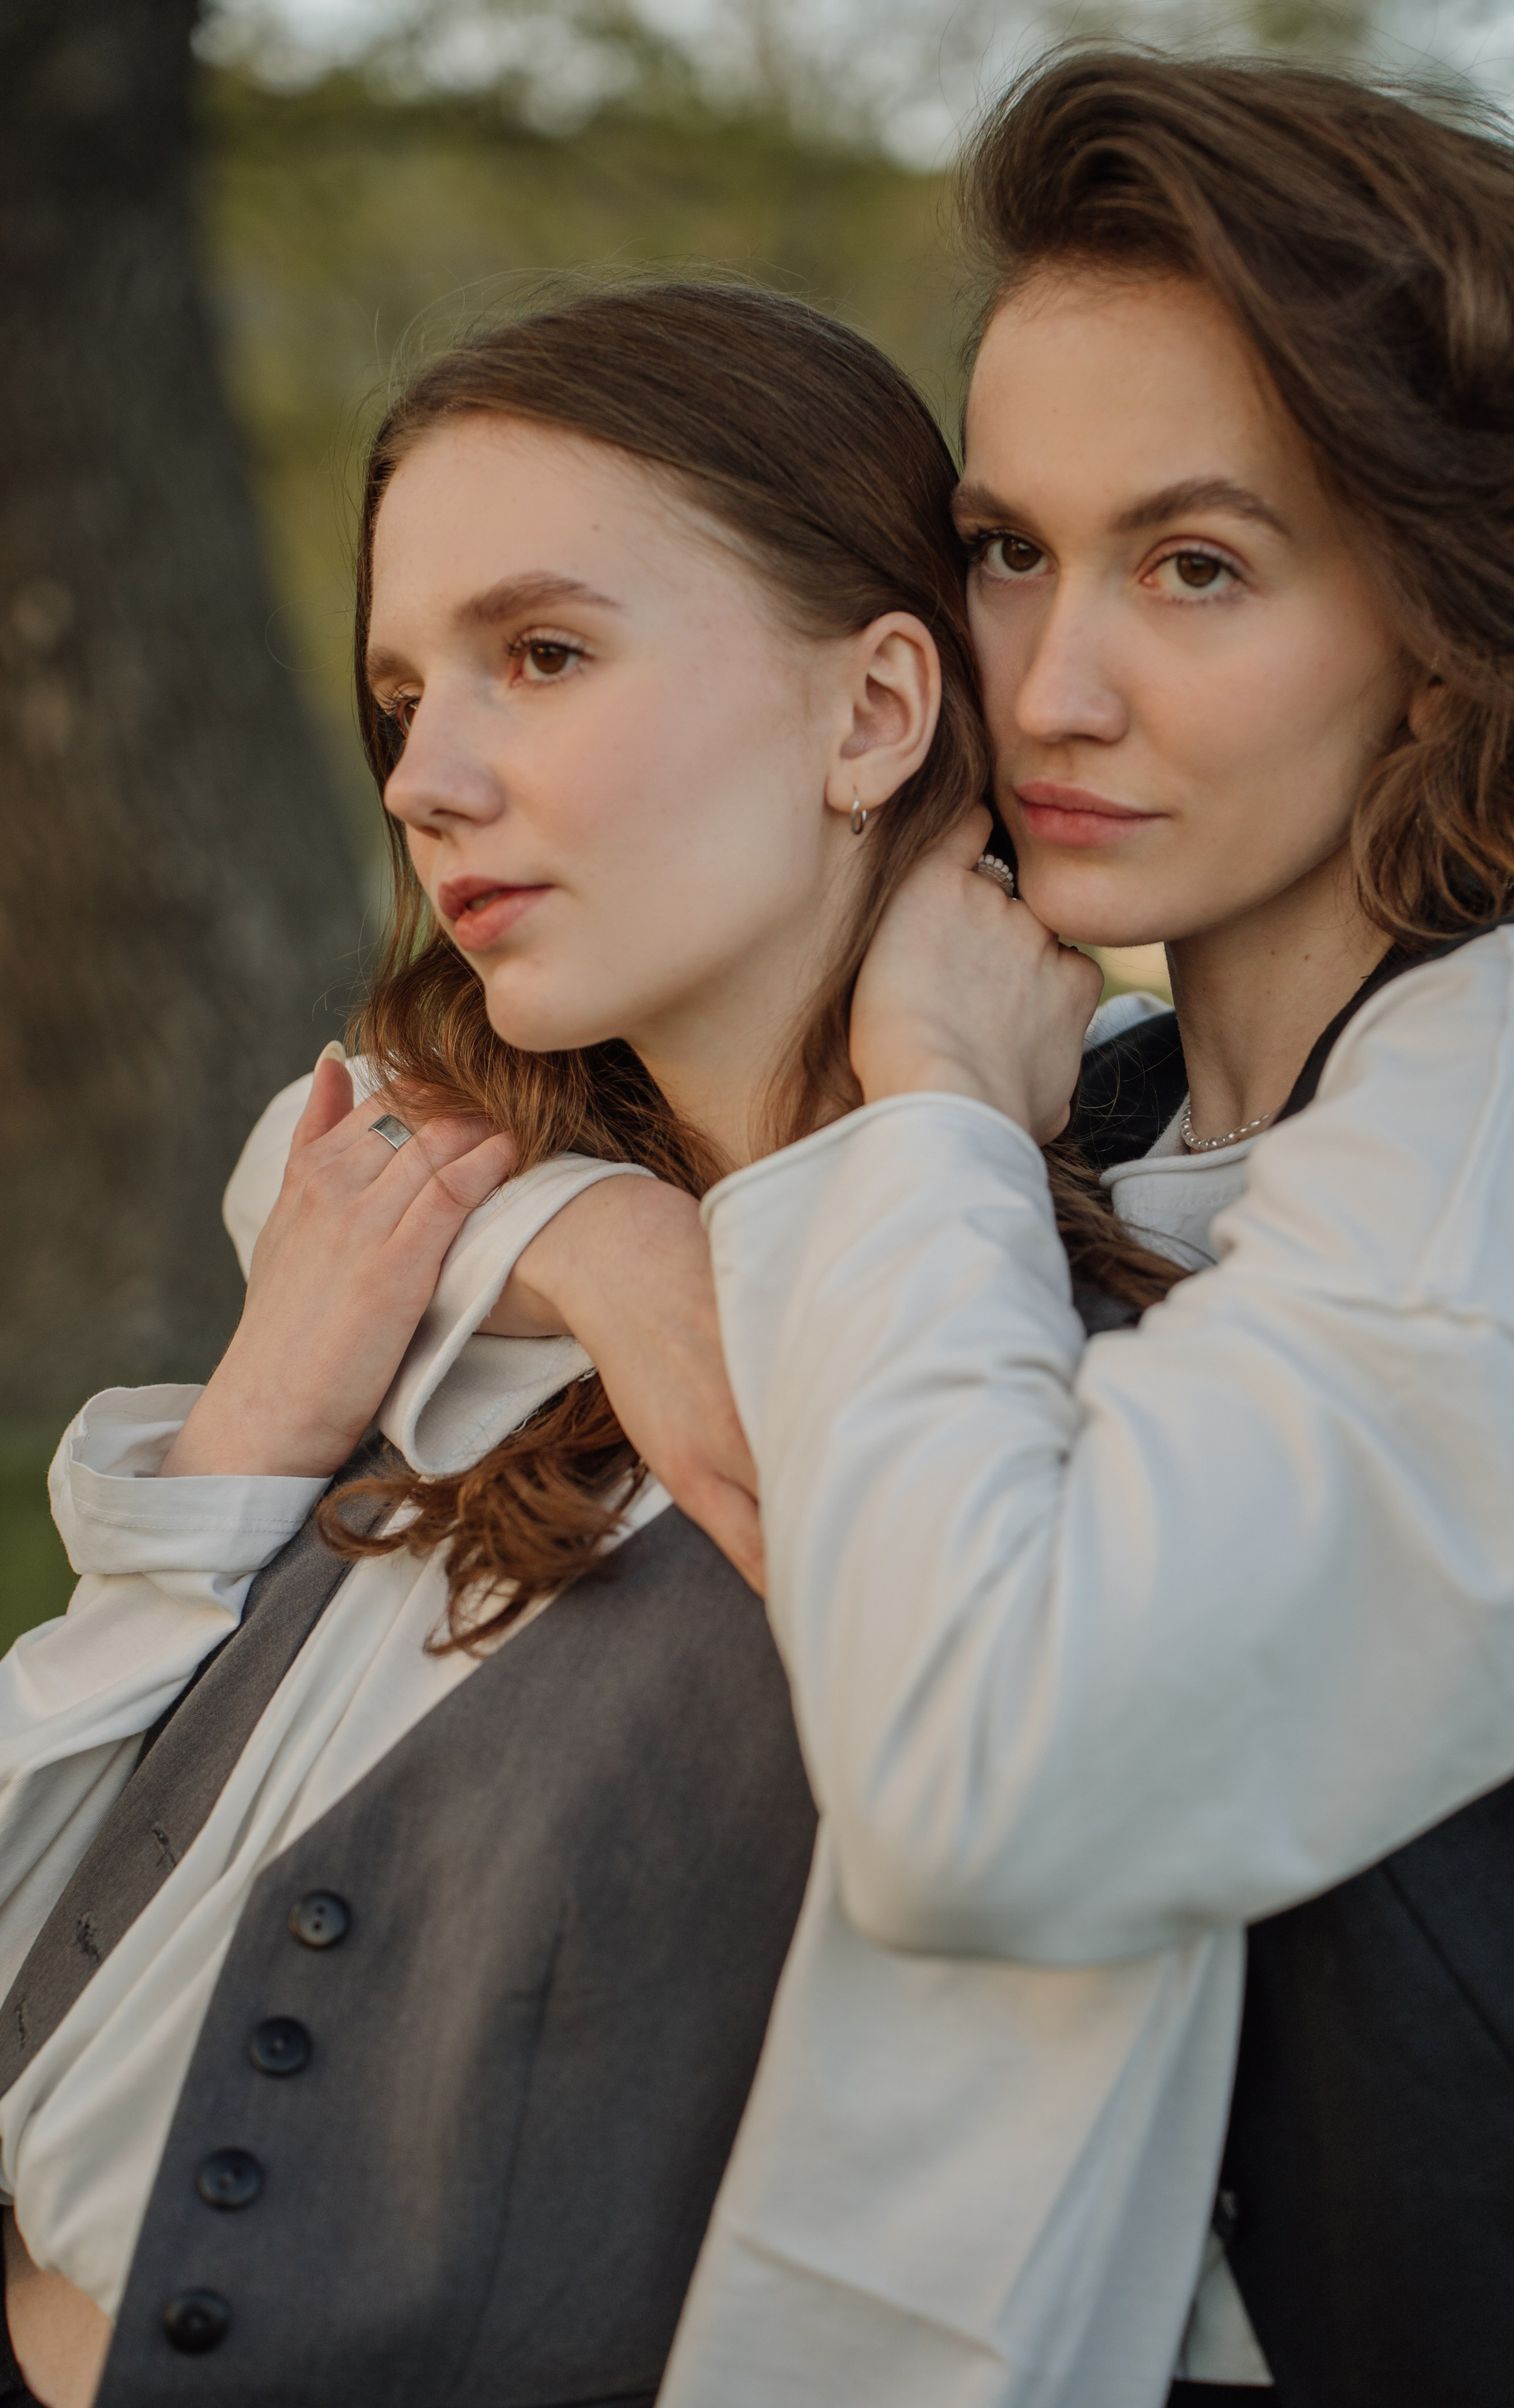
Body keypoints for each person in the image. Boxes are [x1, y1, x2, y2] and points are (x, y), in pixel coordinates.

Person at [0, 280, 1143, 2408]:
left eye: (542, 654)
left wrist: (921, 1110)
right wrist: (561, 1253)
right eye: (400, 696)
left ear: (877, 712)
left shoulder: (1043, 1379)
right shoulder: (434, 1244)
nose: (426, 781)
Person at [636, 49, 1514, 2408]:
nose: (1051, 690)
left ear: (1453, 626)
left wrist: (932, 1106)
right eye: (1007, 549)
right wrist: (575, 1237)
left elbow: (987, 1788)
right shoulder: (1140, 1105)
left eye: (1198, 566)